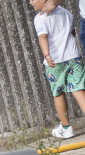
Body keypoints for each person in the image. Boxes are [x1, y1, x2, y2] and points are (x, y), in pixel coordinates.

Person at [33, 0, 85, 139]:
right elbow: (73, 33)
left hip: (55, 61)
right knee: (78, 90)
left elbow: (43, 36)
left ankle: (67, 128)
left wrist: (46, 55)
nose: (31, 3)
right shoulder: (66, 13)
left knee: (58, 93)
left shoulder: (40, 18)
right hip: (74, 57)